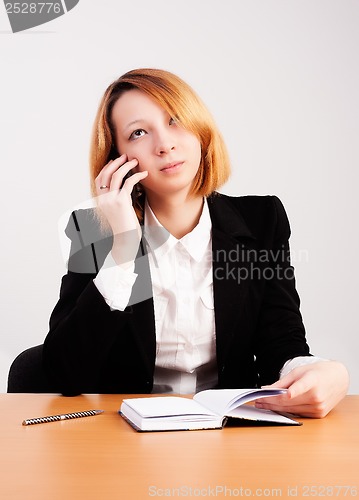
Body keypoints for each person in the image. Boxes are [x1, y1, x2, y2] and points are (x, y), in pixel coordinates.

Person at [43, 68, 349, 417]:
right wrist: (123, 248)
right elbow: (62, 373)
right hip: (123, 437)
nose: (165, 144)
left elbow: (280, 342)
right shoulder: (92, 230)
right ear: (117, 158)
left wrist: (320, 370)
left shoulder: (262, 219)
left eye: (175, 120)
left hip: (231, 433)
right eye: (139, 132)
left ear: (200, 129)